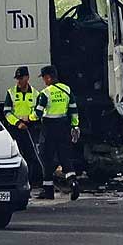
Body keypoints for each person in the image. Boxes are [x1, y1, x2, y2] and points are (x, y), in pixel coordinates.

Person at [34, 65, 81, 200]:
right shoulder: (66, 90)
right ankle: (73, 182)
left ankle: (48, 191)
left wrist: (27, 118)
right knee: (65, 158)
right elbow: (73, 110)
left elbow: (37, 113)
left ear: (48, 77)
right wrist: (75, 126)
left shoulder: (45, 93)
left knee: (46, 159)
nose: (43, 81)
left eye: (43, 78)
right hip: (64, 128)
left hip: (49, 129)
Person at [2, 66, 41, 187]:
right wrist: (17, 123)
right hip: (16, 129)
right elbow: (7, 112)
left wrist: (29, 120)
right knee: (17, 155)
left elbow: (38, 112)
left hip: (30, 128)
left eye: (21, 78)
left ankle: (30, 182)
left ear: (27, 78)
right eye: (17, 79)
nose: (18, 81)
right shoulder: (11, 92)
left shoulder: (36, 94)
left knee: (31, 156)